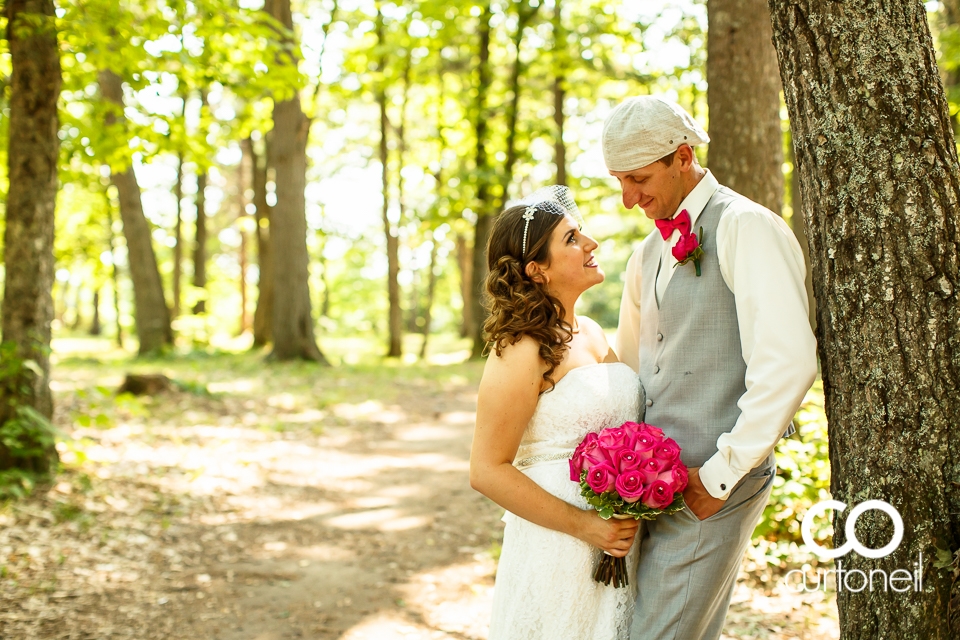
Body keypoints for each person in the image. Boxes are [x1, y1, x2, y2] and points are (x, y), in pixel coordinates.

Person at [604, 95, 818, 640]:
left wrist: (722, 475)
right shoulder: (645, 254)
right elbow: (634, 371)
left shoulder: (746, 226)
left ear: (682, 155)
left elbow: (788, 361)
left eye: (638, 178)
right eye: (619, 182)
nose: (629, 199)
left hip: (712, 482)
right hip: (645, 489)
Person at [470, 186, 643, 639]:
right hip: (559, 544)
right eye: (571, 239)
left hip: (618, 536)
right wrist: (587, 526)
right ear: (536, 270)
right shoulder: (522, 348)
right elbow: (486, 469)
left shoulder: (589, 331)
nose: (591, 244)